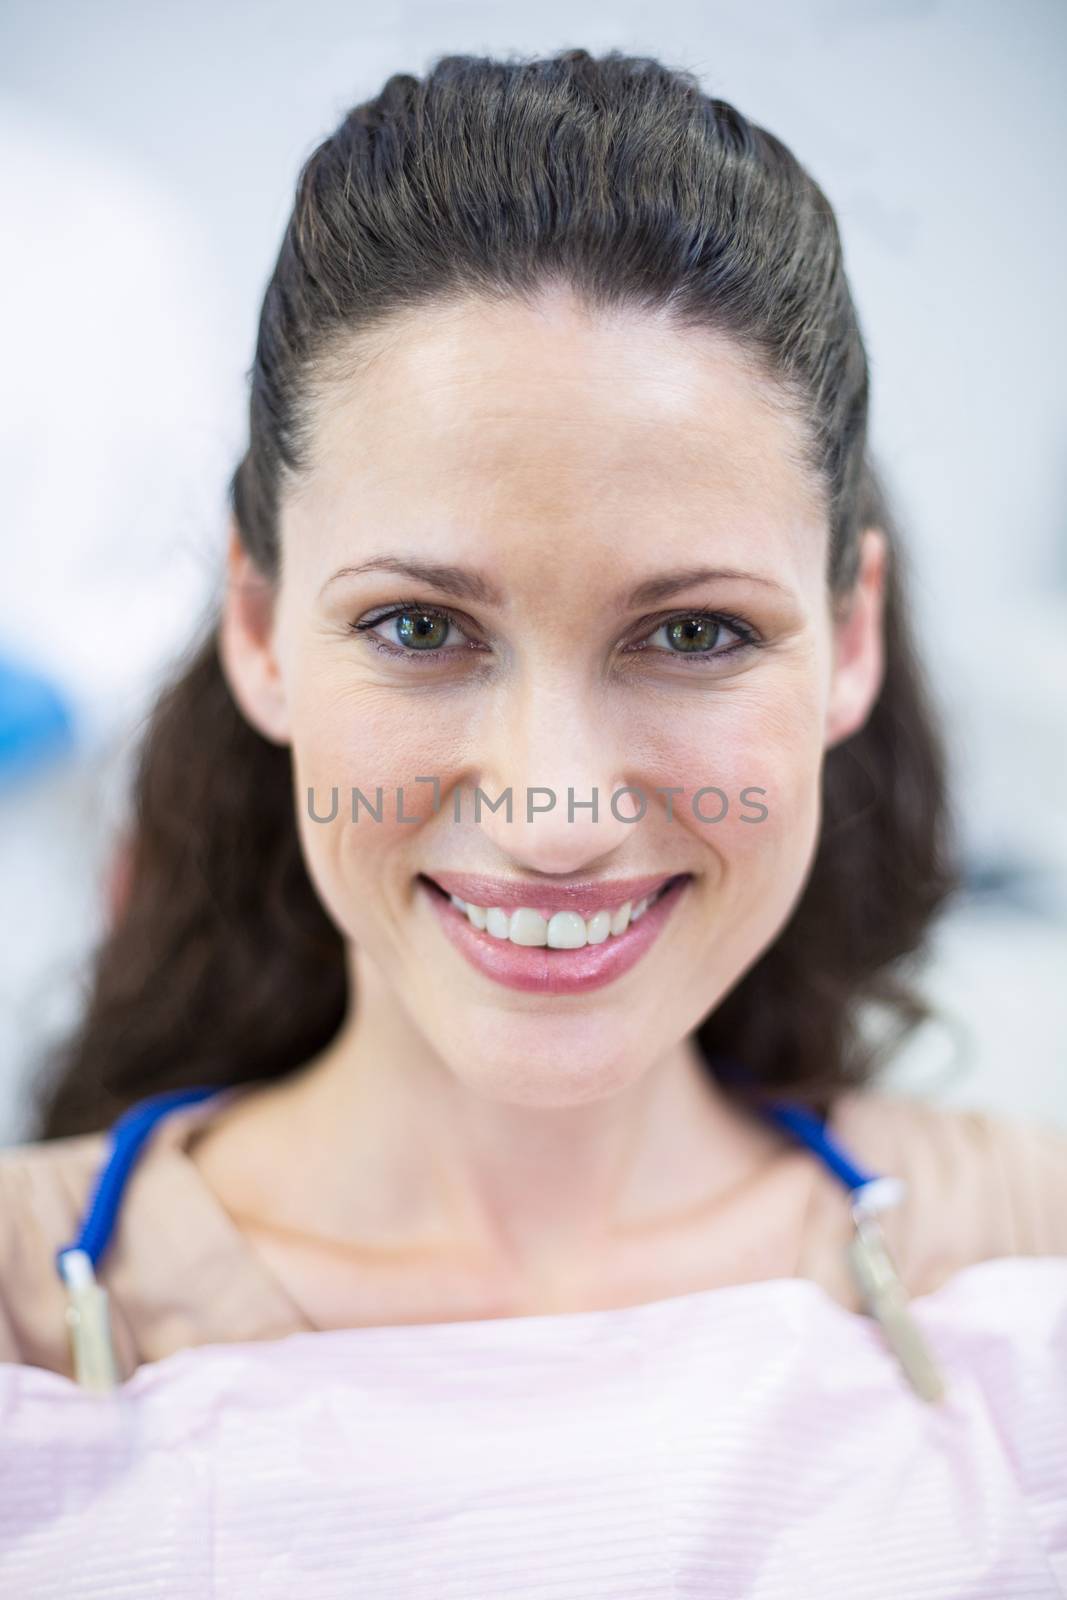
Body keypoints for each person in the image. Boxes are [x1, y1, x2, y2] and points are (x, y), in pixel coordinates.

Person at [2, 46, 1065, 1402]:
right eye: (420, 629)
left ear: (850, 637)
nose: (553, 813)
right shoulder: (27, 1304)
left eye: (693, 635)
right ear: (258, 630)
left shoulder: (1027, 1260)